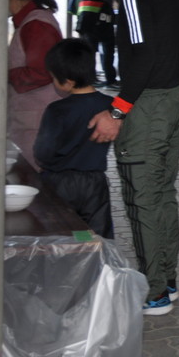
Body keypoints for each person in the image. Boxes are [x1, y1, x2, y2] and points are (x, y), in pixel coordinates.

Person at [87, 0, 179, 316]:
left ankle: (154, 292)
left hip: (148, 108)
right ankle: (167, 280)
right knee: (163, 195)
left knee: (143, 200)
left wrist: (117, 111)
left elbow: (143, 55)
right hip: (176, 100)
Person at [34, 38, 115, 238]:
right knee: (94, 232)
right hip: (94, 182)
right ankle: (89, 254)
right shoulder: (109, 106)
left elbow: (44, 151)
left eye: (54, 77)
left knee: (61, 230)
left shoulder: (57, 109)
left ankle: (70, 255)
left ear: (68, 82)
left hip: (59, 181)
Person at [8, 0, 64, 169]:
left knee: (39, 179)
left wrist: (3, 74)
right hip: (33, 120)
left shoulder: (36, 24)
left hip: (38, 121)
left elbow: (40, 72)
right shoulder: (29, 21)